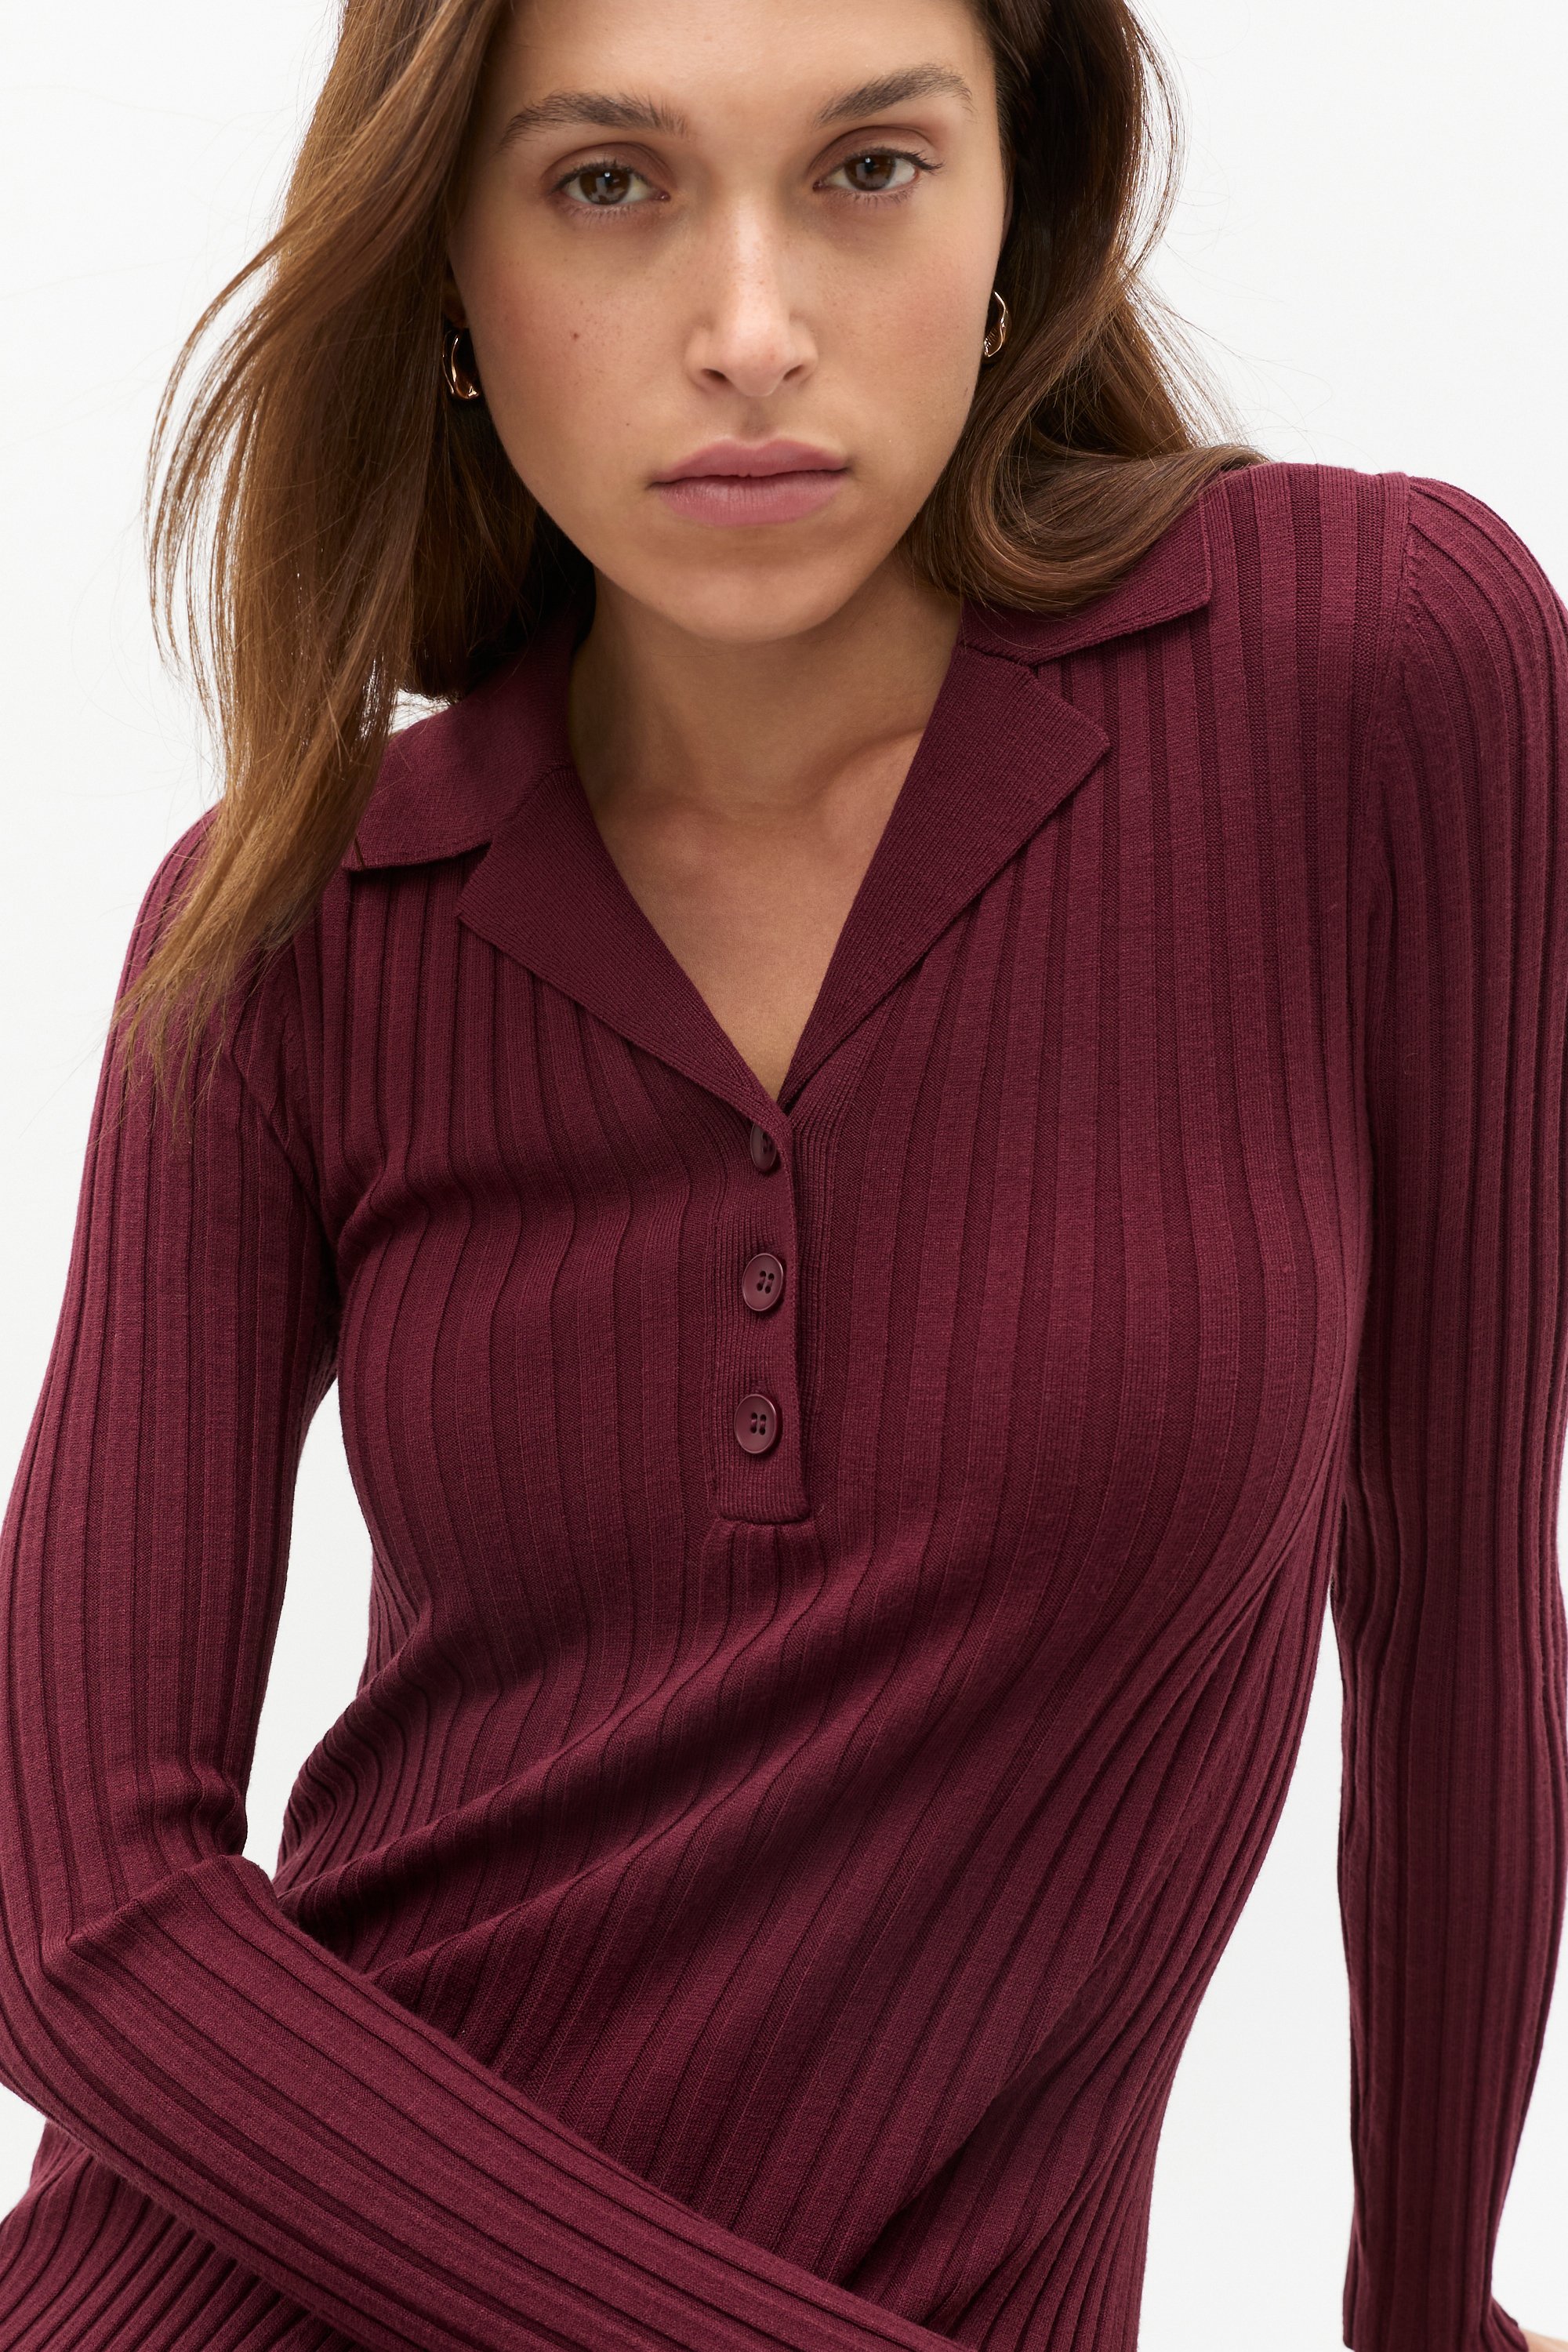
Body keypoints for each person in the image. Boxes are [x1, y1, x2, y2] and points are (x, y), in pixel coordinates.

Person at [0, 0, 1563, 2347]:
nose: (751, 331)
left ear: (1023, 207)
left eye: (868, 170)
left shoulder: (1368, 670)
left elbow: (1454, 1591)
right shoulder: (292, 933)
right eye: (606, 185)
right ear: (449, 269)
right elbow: (80, 1909)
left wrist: (1432, 2303)